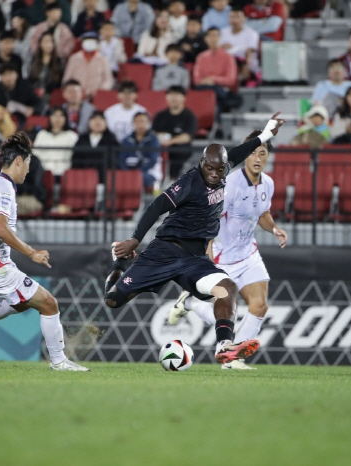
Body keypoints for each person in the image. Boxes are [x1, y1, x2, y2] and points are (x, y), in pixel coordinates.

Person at [104, 113, 285, 365]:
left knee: (227, 289)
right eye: (209, 168)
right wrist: (135, 240)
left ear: (225, 166)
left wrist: (266, 134)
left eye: (219, 169)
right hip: (164, 252)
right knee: (113, 300)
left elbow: (240, 151)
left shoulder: (225, 169)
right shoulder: (190, 181)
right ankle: (118, 262)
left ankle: (224, 347)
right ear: (201, 163)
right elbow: (156, 205)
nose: (213, 174)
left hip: (193, 259)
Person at [0, 133, 89, 372]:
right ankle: (59, 362)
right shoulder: (3, 187)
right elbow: (0, 229)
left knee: (21, 304)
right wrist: (31, 252)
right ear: (19, 161)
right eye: (28, 165)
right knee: (48, 303)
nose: (28, 172)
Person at [168, 128, 287, 369]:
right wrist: (207, 261)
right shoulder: (230, 184)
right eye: (252, 152)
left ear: (267, 156)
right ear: (245, 156)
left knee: (260, 305)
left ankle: (233, 359)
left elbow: (262, 213)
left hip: (248, 254)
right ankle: (189, 303)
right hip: (222, 255)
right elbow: (210, 222)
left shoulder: (268, 184)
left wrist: (274, 228)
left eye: (262, 153)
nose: (257, 158)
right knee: (225, 311)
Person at [152, 85, 198, 180]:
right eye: (171, 95)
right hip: (160, 146)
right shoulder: (160, 116)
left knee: (178, 152)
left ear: (184, 97)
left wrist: (169, 142)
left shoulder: (189, 116)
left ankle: (173, 180)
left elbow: (187, 137)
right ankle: (154, 181)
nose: (173, 98)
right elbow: (153, 133)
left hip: (179, 147)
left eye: (177, 95)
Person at [193, 27, 241, 111]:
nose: (213, 39)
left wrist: (213, 79)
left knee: (217, 94)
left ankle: (215, 120)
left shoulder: (228, 57)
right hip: (205, 89)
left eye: (215, 35)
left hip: (222, 90)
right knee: (211, 93)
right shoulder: (201, 57)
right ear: (206, 39)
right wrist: (208, 82)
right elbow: (197, 80)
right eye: (210, 36)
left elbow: (230, 80)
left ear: (220, 38)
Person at [62, 32, 114, 99]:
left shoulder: (103, 59)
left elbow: (108, 80)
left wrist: (99, 92)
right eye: (87, 40)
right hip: (76, 96)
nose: (89, 43)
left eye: (92, 40)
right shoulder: (74, 58)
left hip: (96, 96)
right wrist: (71, 91)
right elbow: (67, 79)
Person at [118, 111, 161, 189]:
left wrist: (137, 172)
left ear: (148, 123)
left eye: (143, 121)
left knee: (137, 179)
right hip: (129, 171)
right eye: (137, 121)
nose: (140, 124)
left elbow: (153, 160)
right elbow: (121, 159)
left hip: (149, 172)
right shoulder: (126, 140)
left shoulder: (153, 139)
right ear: (133, 123)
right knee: (117, 178)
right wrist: (127, 172)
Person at [71, 110, 118, 179]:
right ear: (89, 122)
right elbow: (76, 159)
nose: (97, 121)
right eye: (94, 119)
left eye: (101, 119)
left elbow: (114, 161)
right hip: (84, 178)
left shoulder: (111, 139)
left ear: (106, 123)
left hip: (105, 178)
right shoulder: (82, 139)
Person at [34, 106, 79, 175]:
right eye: (54, 115)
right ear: (50, 118)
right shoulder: (42, 134)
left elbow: (76, 157)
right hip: (43, 173)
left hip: (65, 172)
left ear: (66, 118)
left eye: (61, 115)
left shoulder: (72, 135)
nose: (57, 118)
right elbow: (36, 154)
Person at [220, 7, 260, 84]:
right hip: (227, 60)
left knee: (245, 65)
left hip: (244, 61)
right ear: (228, 19)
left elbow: (250, 52)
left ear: (244, 19)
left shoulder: (252, 33)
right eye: (232, 17)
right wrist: (222, 47)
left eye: (238, 17)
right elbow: (218, 49)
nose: (235, 20)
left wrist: (246, 64)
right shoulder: (223, 32)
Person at [27, 31, 63, 98]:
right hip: (34, 92)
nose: (48, 45)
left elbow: (59, 82)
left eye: (50, 42)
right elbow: (30, 78)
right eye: (45, 42)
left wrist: (46, 89)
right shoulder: (34, 59)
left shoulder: (59, 61)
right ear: (40, 44)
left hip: (51, 94)